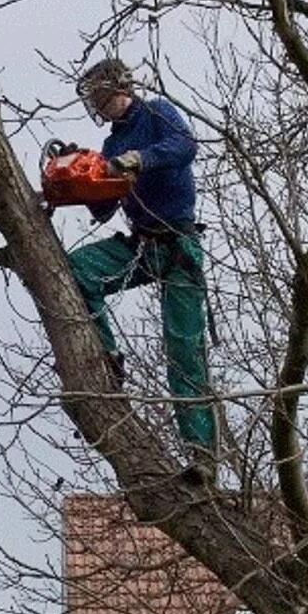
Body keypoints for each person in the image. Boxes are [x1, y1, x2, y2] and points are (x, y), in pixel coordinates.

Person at [67, 58, 217, 486]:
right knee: (81, 270)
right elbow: (102, 210)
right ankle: (108, 355)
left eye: (101, 94)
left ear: (119, 88)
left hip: (178, 243)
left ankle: (201, 455)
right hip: (141, 245)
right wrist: (85, 175)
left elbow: (185, 147)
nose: (98, 104)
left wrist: (138, 160)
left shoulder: (157, 114)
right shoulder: (110, 145)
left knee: (184, 351)